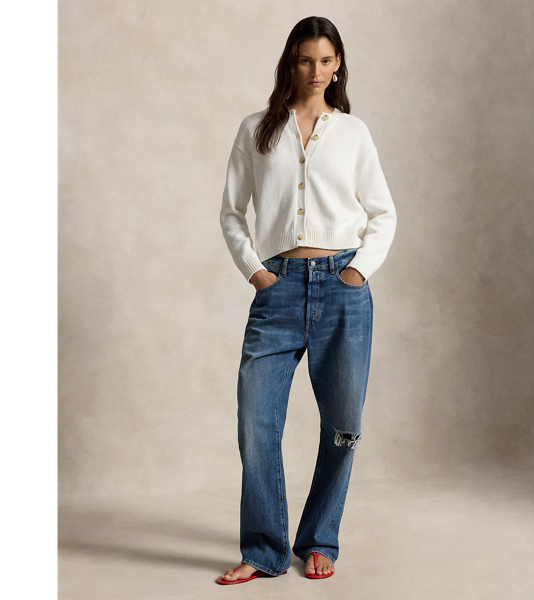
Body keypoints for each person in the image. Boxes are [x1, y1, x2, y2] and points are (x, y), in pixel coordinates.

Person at [216, 16, 396, 584]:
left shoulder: (353, 133)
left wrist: (357, 272)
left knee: (343, 425)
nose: (315, 71)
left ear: (338, 65)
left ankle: (319, 538)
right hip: (279, 288)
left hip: (343, 289)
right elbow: (231, 212)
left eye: (325, 60)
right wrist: (256, 273)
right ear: (289, 63)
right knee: (256, 423)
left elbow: (383, 213)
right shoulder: (256, 129)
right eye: (304, 59)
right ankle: (264, 549)